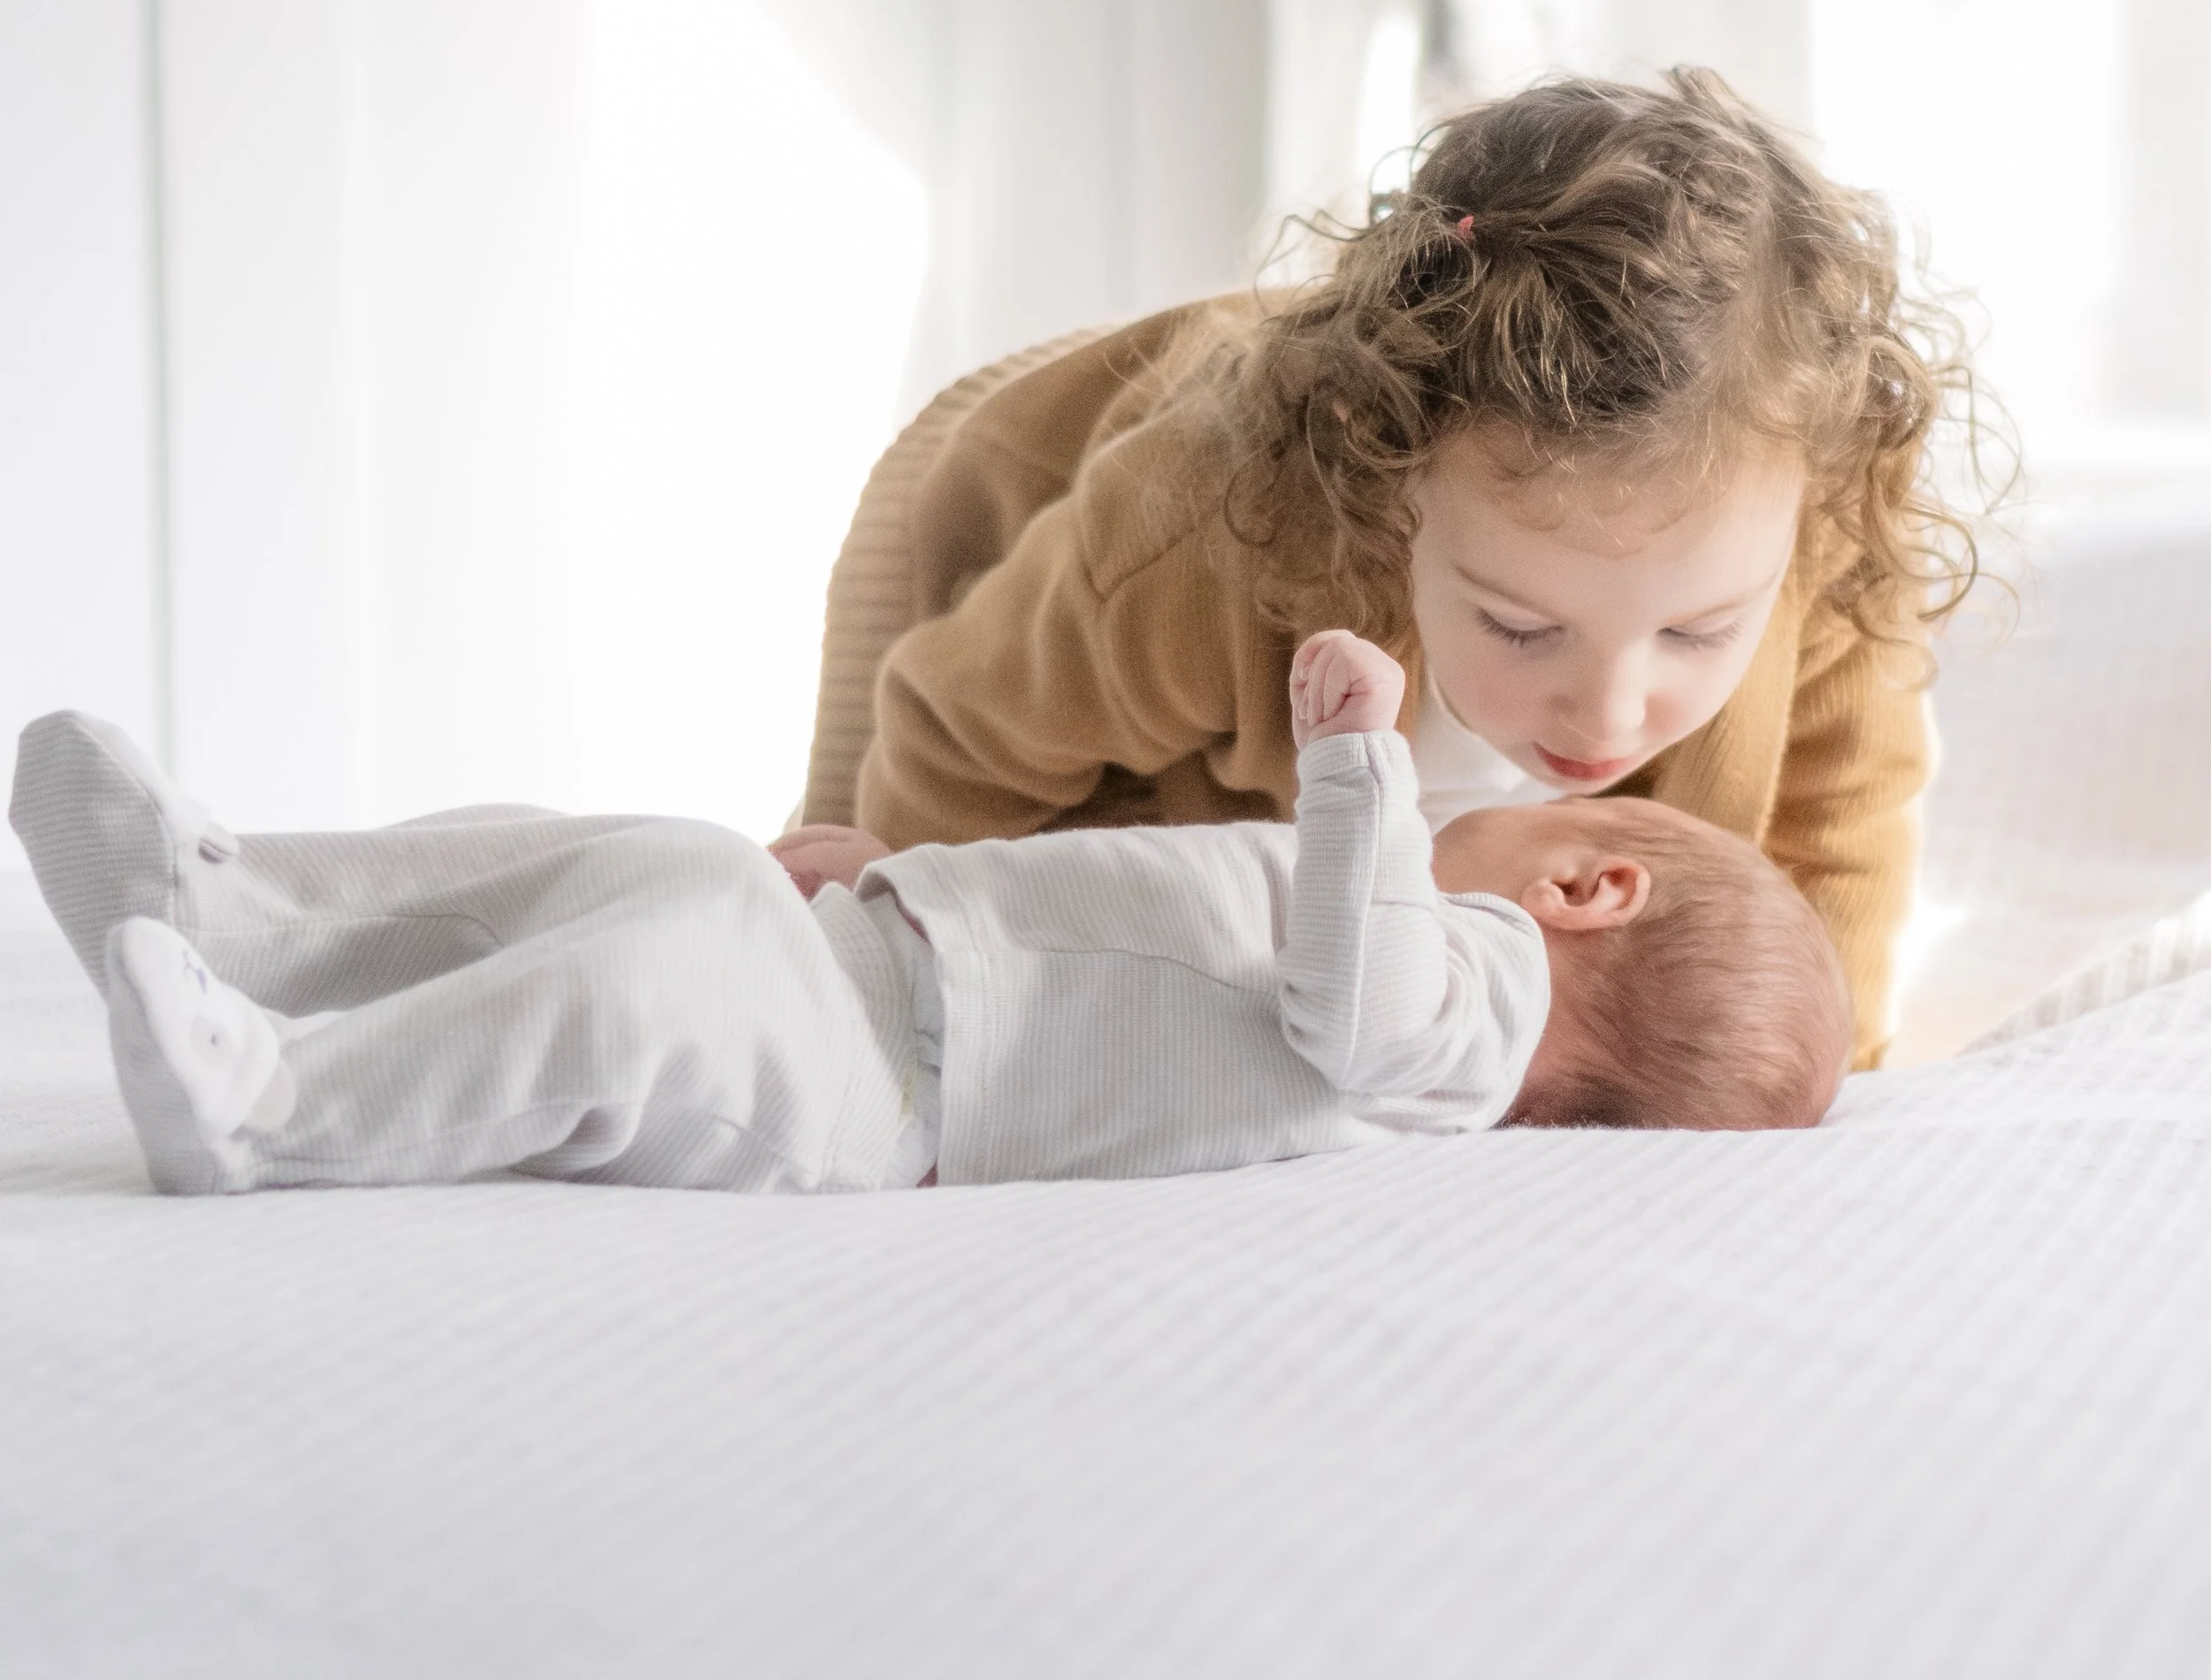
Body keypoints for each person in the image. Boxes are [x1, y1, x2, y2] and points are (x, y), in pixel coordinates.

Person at [792, 71, 1989, 1071]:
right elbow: (956, 740)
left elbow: (1840, 831)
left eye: (1696, 634)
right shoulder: (1211, 534)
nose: (1609, 713)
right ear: (1390, 477)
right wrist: (916, 1008)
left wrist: (1828, 1072)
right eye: (1521, 626)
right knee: (823, 937)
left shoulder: (1816, 526)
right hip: (980, 552)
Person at [10, 638, 1850, 1202]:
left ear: (1589, 887)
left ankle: (275, 1111)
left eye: (1521, 821)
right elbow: (1105, 926)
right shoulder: (1446, 982)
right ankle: (237, 906)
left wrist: (1360, 765)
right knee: (609, 860)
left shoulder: (1470, 1005)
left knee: (630, 987)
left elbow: (1353, 1006)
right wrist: (881, 883)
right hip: (879, 975)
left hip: (886, 1092)